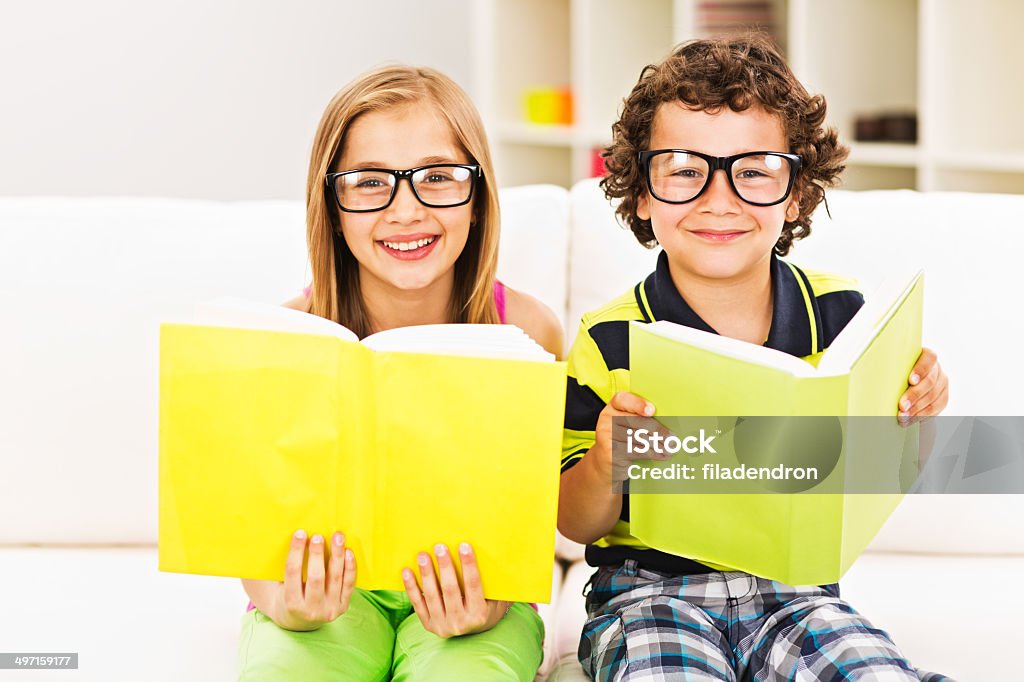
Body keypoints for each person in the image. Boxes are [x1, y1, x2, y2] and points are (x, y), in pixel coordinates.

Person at [558, 35, 951, 681]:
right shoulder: (608, 339)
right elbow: (574, 521)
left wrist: (918, 411)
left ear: (795, 193)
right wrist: (606, 461)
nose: (720, 199)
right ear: (643, 195)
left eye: (754, 170)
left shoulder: (840, 314)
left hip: (798, 594)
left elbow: (882, 469)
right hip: (650, 596)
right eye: (685, 170)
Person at [237, 64, 562, 682]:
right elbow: (257, 514)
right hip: (324, 600)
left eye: (437, 178)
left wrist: (493, 599)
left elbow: (531, 506)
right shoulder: (289, 333)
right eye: (369, 182)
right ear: (332, 205)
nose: (406, 210)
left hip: (471, 601)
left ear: (479, 195)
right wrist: (284, 603)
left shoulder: (528, 332)